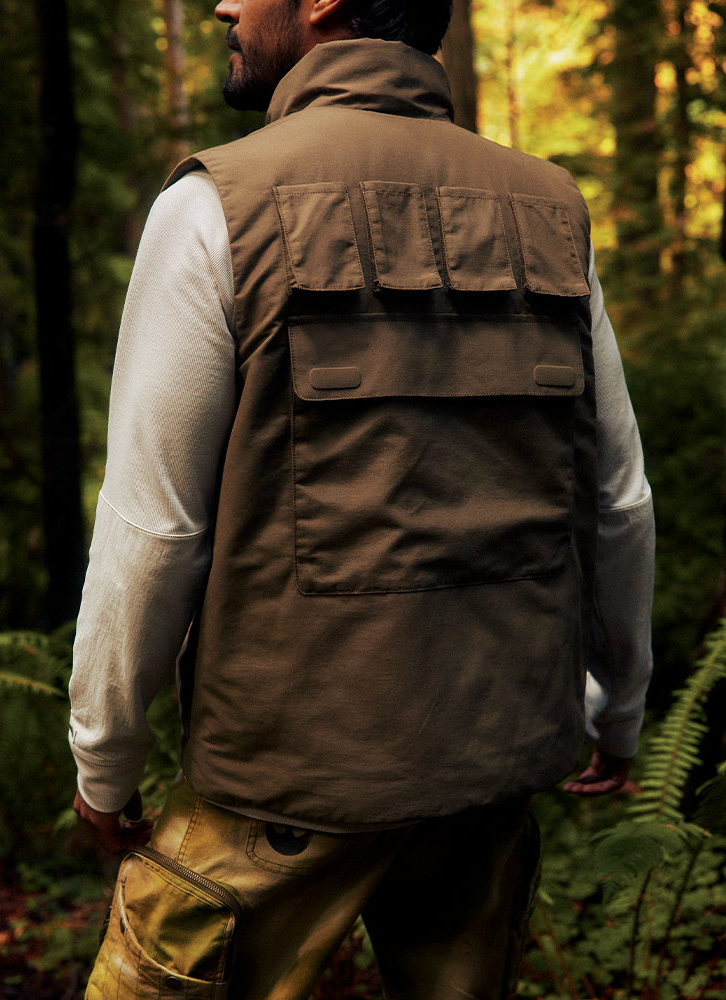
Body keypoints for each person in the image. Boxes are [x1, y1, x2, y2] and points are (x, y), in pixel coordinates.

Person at [69, 0, 655, 996]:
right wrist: (617, 708)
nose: (222, 4)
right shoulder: (551, 209)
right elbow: (617, 501)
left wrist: (104, 759)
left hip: (280, 789)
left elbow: (154, 531)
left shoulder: (216, 205)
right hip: (489, 774)